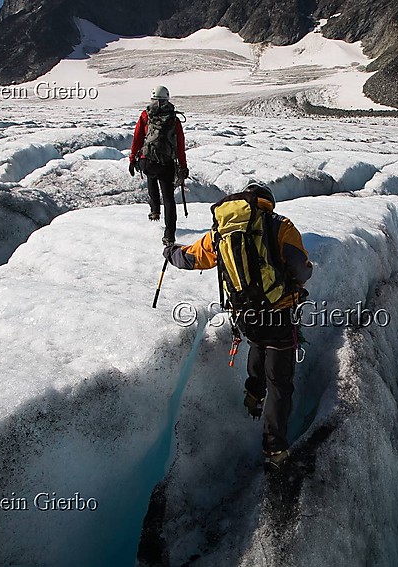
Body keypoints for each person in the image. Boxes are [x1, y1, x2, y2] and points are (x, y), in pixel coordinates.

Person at [162, 183, 313, 469]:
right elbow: (301, 269)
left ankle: (253, 396)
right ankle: (274, 448)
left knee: (257, 344)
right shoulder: (281, 225)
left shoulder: (224, 230)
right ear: (268, 202)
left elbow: (192, 258)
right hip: (278, 313)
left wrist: (170, 252)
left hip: (245, 314)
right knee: (280, 383)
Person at [129, 85, 189, 246]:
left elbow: (137, 139)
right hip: (166, 163)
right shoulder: (173, 119)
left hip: (146, 160)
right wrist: (183, 167)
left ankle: (155, 209)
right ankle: (169, 235)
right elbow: (180, 146)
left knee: (151, 176)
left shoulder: (145, 115)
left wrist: (132, 159)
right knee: (169, 198)